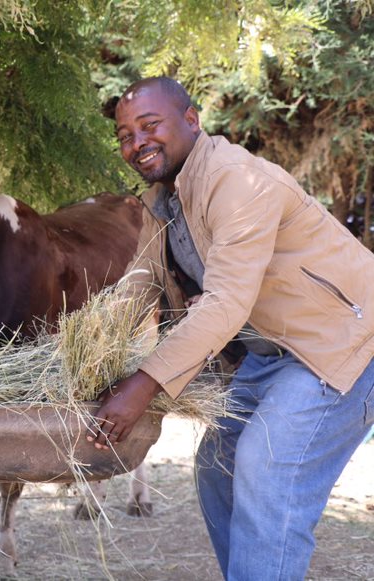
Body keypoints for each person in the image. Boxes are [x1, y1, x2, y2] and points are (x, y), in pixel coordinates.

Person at [88, 76, 374, 580]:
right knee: (217, 471)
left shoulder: (235, 179)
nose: (137, 143)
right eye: (126, 135)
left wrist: (142, 384)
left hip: (338, 345)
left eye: (150, 125)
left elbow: (226, 303)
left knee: (268, 472)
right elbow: (141, 281)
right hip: (272, 356)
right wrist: (87, 352)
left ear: (191, 120)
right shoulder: (164, 199)